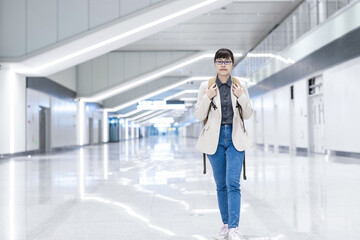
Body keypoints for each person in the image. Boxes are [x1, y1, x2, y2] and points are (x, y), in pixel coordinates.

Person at [194, 48, 253, 240]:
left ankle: (234, 228)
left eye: (226, 61)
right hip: (215, 139)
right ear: (215, 64)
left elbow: (249, 113)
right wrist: (207, 97)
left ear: (232, 64)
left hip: (235, 137)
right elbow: (198, 115)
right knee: (221, 185)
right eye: (219, 61)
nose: (223, 65)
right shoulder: (206, 86)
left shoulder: (240, 84)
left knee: (232, 183)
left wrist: (241, 95)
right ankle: (225, 224)